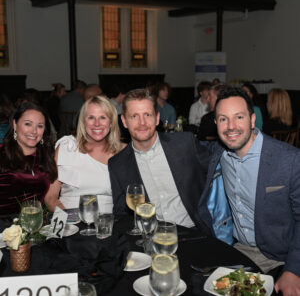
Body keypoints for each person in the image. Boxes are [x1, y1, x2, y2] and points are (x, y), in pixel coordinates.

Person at [198, 87, 300, 296]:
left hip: (283, 256)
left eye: (239, 117)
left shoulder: (289, 160)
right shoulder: (218, 153)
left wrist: (293, 270)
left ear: (252, 120)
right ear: (216, 123)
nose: (231, 126)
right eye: (223, 119)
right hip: (242, 250)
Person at [108, 89, 210, 233]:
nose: (142, 123)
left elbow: (216, 171)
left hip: (195, 231)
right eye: (134, 116)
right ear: (124, 121)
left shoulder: (185, 144)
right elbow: (121, 212)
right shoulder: (117, 164)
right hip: (150, 235)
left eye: (147, 115)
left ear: (157, 118)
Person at [44, 95, 124, 212]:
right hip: (69, 223)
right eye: (91, 117)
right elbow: (50, 199)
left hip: (109, 224)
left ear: (111, 122)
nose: (97, 123)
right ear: (83, 121)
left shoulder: (123, 152)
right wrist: (73, 222)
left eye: (103, 117)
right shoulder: (67, 147)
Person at [0, 102, 57, 215]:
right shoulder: (2, 154)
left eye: (40, 126)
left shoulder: (47, 156)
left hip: (36, 226)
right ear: (15, 125)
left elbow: (52, 198)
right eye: (28, 124)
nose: (34, 131)